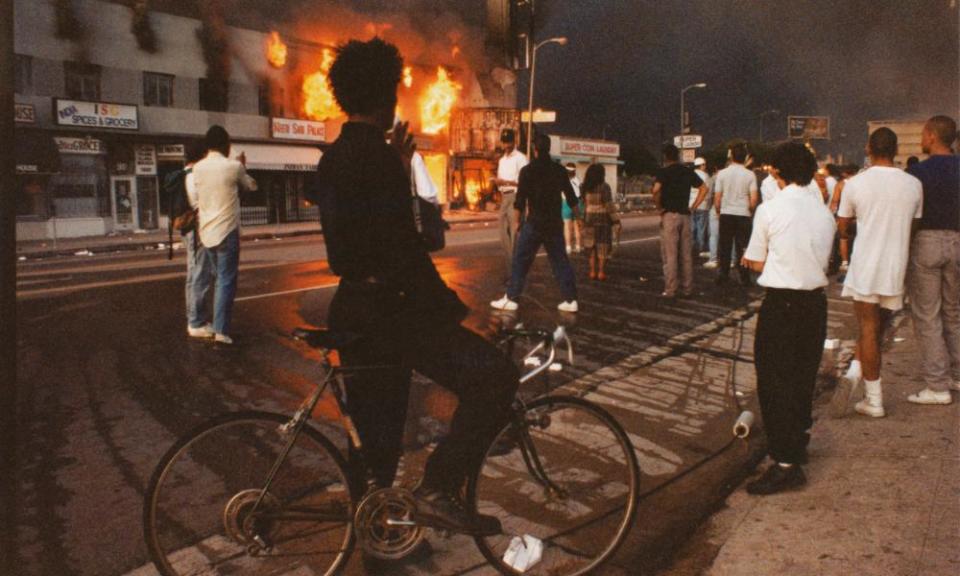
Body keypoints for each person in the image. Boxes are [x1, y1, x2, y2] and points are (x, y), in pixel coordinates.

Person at [309, 37, 518, 536]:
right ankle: (440, 487)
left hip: (355, 308)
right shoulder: (379, 159)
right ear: (385, 96)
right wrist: (458, 312)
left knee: (376, 444)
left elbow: (360, 237)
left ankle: (378, 543)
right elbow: (407, 246)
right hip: (391, 312)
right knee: (495, 379)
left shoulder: (332, 159)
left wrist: (398, 170)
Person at [741, 142, 836, 495]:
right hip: (815, 305)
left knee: (774, 383)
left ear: (777, 172)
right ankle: (797, 444)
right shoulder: (823, 213)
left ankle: (785, 464)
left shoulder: (770, 210)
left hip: (781, 306)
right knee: (801, 379)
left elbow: (756, 261)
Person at [835, 128, 922, 418]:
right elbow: (914, 225)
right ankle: (856, 373)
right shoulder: (913, 184)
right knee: (879, 327)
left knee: (868, 330)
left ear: (868, 148)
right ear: (896, 150)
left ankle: (874, 401)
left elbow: (843, 224)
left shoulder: (855, 184)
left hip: (866, 266)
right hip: (896, 265)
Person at [490, 134, 580, 312]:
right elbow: (572, 199)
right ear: (549, 148)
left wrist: (516, 224)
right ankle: (570, 300)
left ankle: (511, 298)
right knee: (560, 261)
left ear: (535, 149)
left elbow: (520, 202)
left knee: (521, 261)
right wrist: (579, 219)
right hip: (554, 223)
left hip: (535, 223)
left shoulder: (527, 171)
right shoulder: (559, 171)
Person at [905, 115, 960, 405]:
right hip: (957, 242)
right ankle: (958, 375)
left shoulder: (918, 173)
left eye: (924, 134)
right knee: (953, 311)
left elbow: (911, 216)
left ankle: (937, 386)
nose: (922, 139)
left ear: (932, 137)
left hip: (927, 242)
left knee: (927, 315)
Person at [192, 125, 257, 345]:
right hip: (227, 231)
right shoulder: (233, 166)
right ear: (225, 144)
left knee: (217, 279)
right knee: (226, 281)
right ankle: (221, 330)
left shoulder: (198, 168)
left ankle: (210, 324)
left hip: (206, 232)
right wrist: (244, 167)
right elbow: (251, 187)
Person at [653, 144, 707, 297]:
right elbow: (704, 188)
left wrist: (659, 207)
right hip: (685, 215)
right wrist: (694, 206)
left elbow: (656, 190)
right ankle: (687, 288)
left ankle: (671, 289)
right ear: (677, 156)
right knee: (686, 255)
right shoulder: (687, 171)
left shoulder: (663, 172)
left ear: (665, 157)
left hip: (670, 215)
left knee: (670, 255)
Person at [179, 141, 215, 338]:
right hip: (197, 227)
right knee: (200, 274)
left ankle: (193, 317)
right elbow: (200, 203)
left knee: (192, 275)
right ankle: (196, 322)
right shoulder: (194, 176)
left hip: (187, 228)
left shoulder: (184, 173)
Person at [714, 142, 759, 285]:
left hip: (727, 214)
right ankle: (744, 277)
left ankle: (723, 276)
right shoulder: (750, 174)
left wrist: (718, 211)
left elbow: (717, 198)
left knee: (725, 246)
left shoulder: (722, 174)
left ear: (731, 156)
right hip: (743, 214)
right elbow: (753, 199)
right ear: (745, 157)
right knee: (743, 247)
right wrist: (750, 211)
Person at [493, 129, 528, 273]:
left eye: (509, 142)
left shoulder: (521, 158)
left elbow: (525, 182)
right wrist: (497, 182)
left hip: (515, 197)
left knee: (515, 235)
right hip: (504, 197)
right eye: (504, 142)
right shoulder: (502, 160)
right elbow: (500, 181)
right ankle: (512, 267)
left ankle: (516, 271)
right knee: (503, 235)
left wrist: (506, 181)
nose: (506, 145)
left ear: (514, 141)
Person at [580, 164, 621, 280]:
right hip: (603, 221)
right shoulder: (604, 187)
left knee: (591, 247)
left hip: (589, 220)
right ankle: (601, 272)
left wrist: (582, 220)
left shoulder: (585, 187)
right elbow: (609, 205)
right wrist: (616, 221)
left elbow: (584, 205)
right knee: (602, 246)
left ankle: (592, 272)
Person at [690, 156, 711, 256]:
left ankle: (691, 247)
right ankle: (701, 249)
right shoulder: (706, 176)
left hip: (690, 205)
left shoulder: (690, 174)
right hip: (702, 205)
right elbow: (708, 191)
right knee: (701, 228)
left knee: (692, 227)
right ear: (702, 165)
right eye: (704, 165)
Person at [562, 162, 583, 254]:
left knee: (567, 226)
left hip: (566, 202)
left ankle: (568, 247)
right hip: (577, 203)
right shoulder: (578, 180)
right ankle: (578, 246)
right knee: (577, 225)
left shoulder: (562, 180)